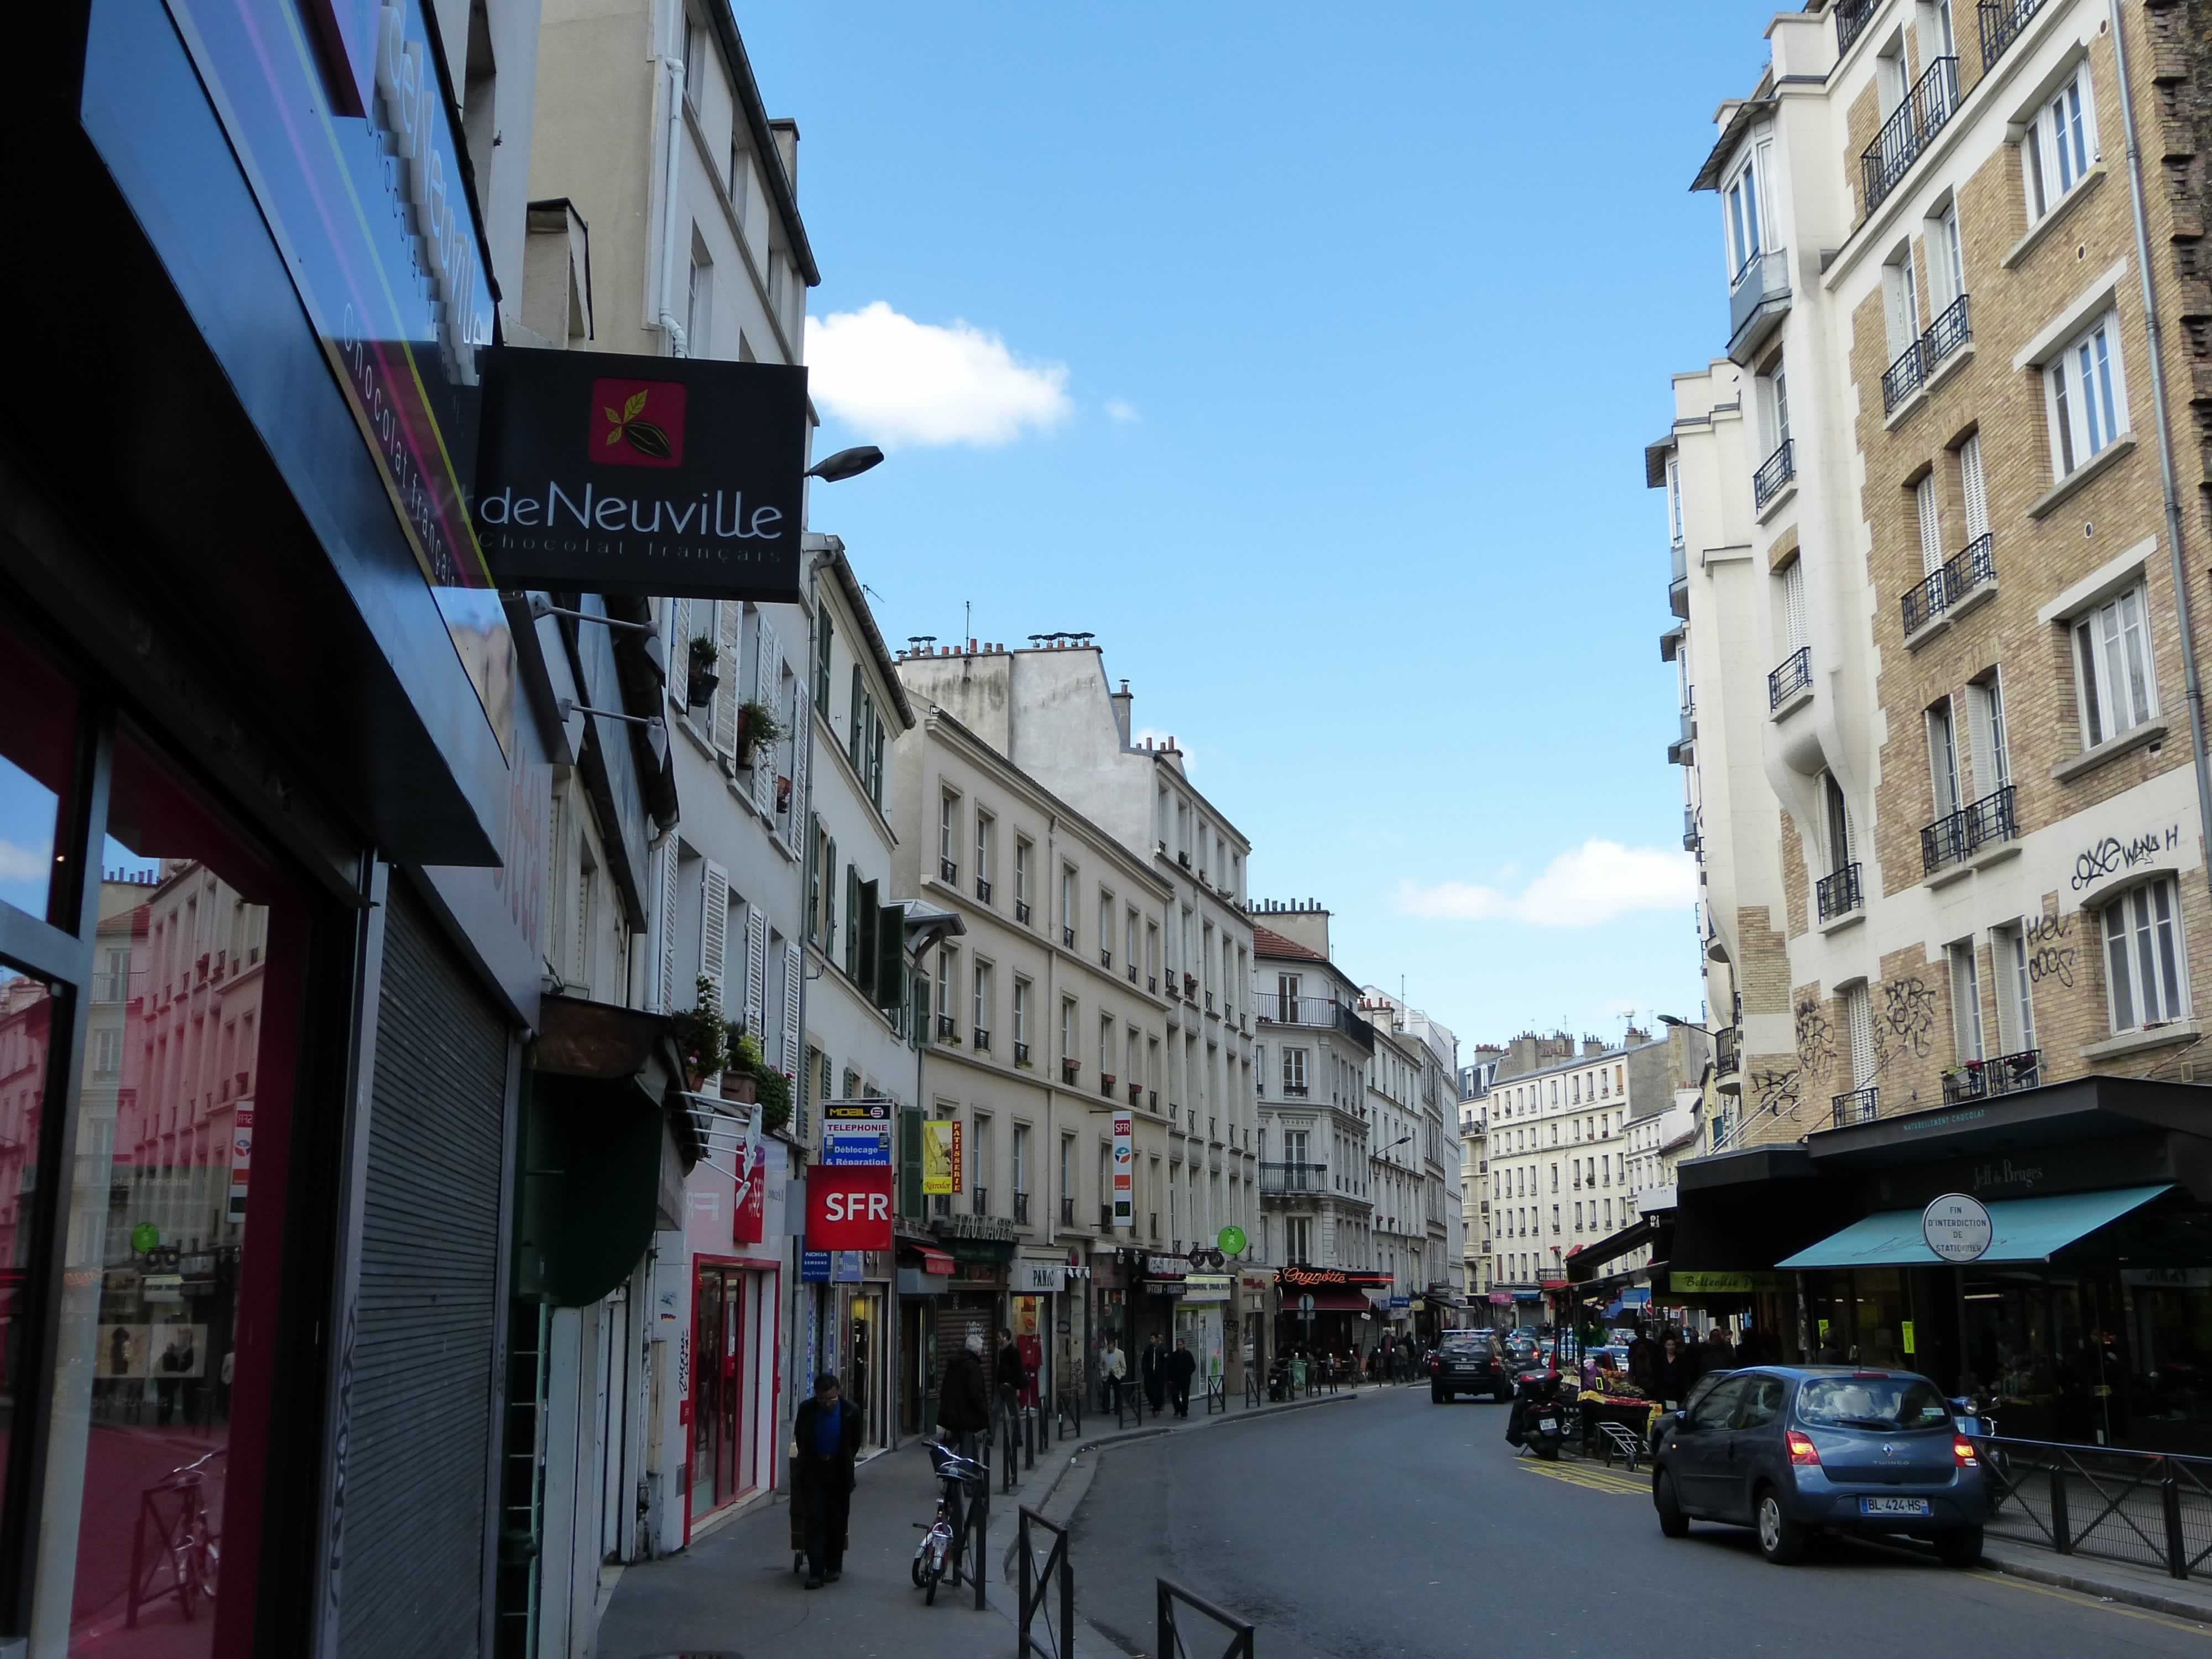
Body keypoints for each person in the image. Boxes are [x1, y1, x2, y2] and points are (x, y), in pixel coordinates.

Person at [792, 1372, 862, 1589]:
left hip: (839, 1470)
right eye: (823, 1400)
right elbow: (800, 1437)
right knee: (814, 1519)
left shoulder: (851, 1411)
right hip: (814, 1469)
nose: (828, 1404)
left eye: (831, 1400)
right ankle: (815, 1571)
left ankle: (833, 1566)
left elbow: (855, 1442)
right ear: (816, 1396)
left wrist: (845, 1461)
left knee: (837, 1519)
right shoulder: (807, 1410)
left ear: (838, 1393)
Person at [936, 1330, 991, 1459]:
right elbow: (976, 1395)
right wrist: (984, 1418)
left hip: (950, 1418)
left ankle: (953, 1476)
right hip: (968, 1420)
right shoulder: (974, 1367)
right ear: (977, 1351)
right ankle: (968, 1477)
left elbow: (945, 1390)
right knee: (968, 1454)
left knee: (953, 1452)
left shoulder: (953, 1365)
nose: (982, 1352)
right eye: (981, 1349)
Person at [994, 1326, 1026, 1430]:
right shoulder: (1001, 1351)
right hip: (1000, 1386)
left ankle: (1018, 1437)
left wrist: (1012, 1384)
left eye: (999, 1337)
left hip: (1009, 1387)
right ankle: (990, 1438)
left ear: (1005, 1337)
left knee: (1013, 1413)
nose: (997, 1339)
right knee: (994, 1410)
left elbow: (1018, 1370)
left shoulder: (1014, 1351)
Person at [1167, 1337, 1197, 1418]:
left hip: (1185, 1380)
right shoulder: (1174, 1355)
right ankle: (1178, 1409)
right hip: (1176, 1380)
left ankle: (1184, 1412)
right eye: (1178, 1345)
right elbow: (1170, 1367)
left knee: (1185, 1397)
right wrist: (1170, 1379)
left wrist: (1189, 1373)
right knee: (1174, 1396)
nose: (1179, 1347)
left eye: (1181, 1345)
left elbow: (1193, 1366)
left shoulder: (1188, 1354)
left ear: (1184, 1345)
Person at [1100, 1335, 1128, 1413]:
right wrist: (1102, 1374)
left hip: (1117, 1375)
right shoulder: (1103, 1354)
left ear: (1114, 1347)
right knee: (1106, 1392)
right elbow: (1101, 1366)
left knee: (1118, 1393)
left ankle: (1117, 1409)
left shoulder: (1120, 1353)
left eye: (1111, 1347)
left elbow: (1123, 1366)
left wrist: (1122, 1374)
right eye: (1109, 1347)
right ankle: (1106, 1409)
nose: (1110, 1349)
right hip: (1107, 1376)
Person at [1140, 1334, 1167, 1415]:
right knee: (1148, 1389)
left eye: (1152, 1339)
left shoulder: (1162, 1349)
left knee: (1159, 1391)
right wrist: (1145, 1371)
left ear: (1156, 1339)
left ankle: (1157, 1408)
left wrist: (1164, 1373)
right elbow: (1144, 1361)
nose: (1151, 1340)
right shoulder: (1148, 1349)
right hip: (1150, 1373)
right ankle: (1154, 1403)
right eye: (1150, 1339)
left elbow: (1166, 1362)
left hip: (1159, 1374)